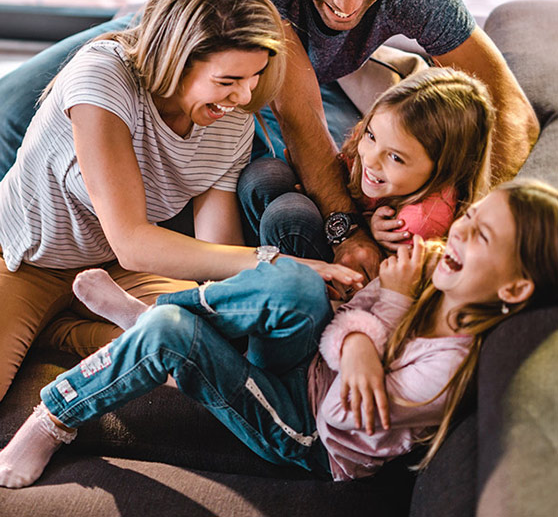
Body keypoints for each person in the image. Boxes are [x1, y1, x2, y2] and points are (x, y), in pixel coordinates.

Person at [0, 0, 539, 280]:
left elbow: (515, 112)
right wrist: (346, 232)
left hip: (258, 81)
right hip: (168, 42)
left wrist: (464, 217)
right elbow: (299, 114)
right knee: (12, 109)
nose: (349, 6)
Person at [0, 178, 556, 488]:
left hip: (307, 431)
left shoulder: (451, 366)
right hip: (310, 367)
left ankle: (55, 417)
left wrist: (387, 304)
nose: (459, 231)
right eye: (471, 215)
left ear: (512, 289)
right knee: (296, 283)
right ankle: (151, 314)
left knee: (171, 333)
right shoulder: (434, 281)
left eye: (481, 236)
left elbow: (342, 414)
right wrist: (359, 324)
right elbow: (344, 328)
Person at [0, 0, 364, 403]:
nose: (245, 97)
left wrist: (266, 293)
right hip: (25, 259)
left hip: (117, 271)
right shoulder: (102, 78)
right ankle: (59, 327)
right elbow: (132, 239)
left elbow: (216, 255)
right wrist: (283, 264)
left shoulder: (229, 119)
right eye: (228, 80)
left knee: (215, 337)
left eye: (253, 78)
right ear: (174, 57)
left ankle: (63, 332)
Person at [241, 67, 495, 261]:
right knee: (264, 174)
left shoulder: (419, 222)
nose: (371, 159)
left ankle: (280, 291)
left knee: (287, 216)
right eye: (371, 136)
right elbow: (345, 169)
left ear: (444, 170)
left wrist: (372, 234)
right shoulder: (374, 143)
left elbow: (384, 283)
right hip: (345, 225)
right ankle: (248, 262)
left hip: (351, 279)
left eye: (395, 157)